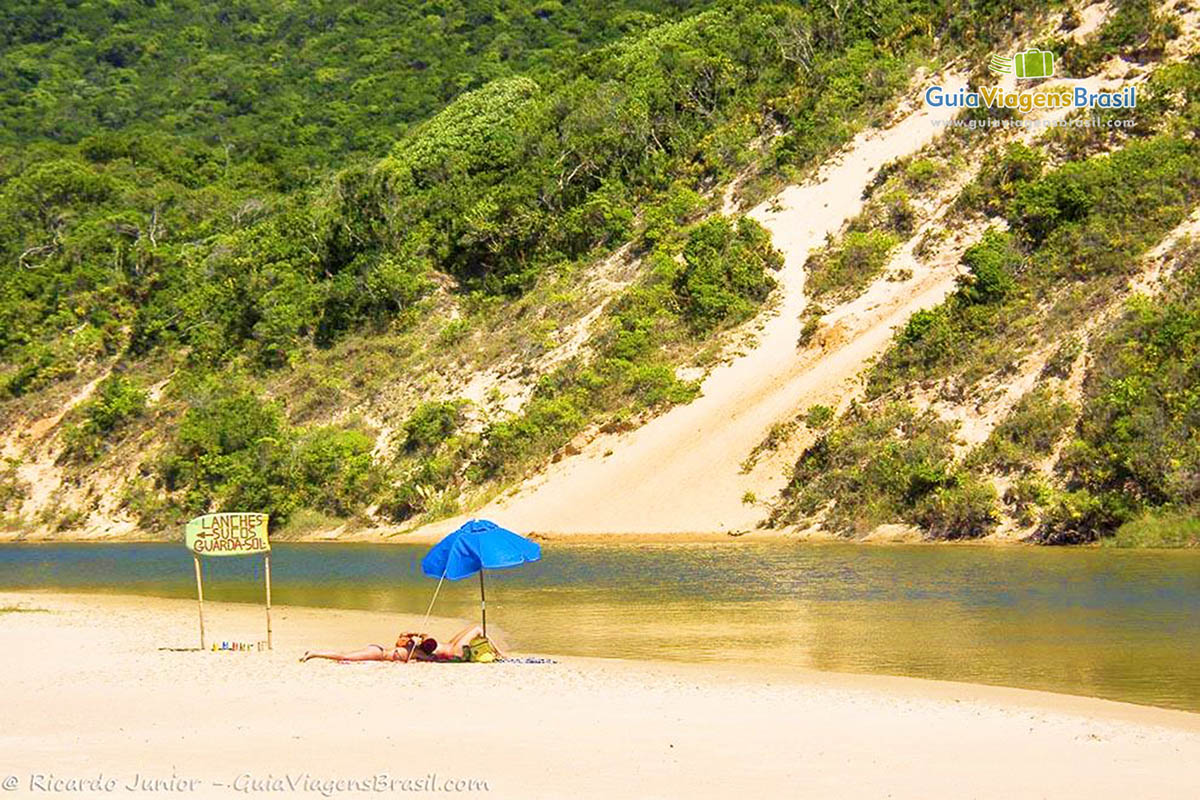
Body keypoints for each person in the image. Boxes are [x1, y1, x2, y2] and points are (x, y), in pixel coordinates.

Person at [299, 624, 498, 663]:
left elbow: (402, 636)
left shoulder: (411, 647)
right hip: (378, 654)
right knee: (344, 656)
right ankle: (314, 653)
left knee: (346, 654)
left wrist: (416, 634)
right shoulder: (418, 653)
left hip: (380, 650)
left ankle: (315, 653)